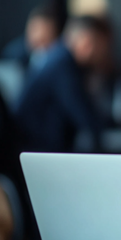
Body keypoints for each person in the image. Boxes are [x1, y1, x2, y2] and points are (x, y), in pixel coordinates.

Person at [13, 16, 109, 153]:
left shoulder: (58, 56)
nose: (103, 54)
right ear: (87, 42)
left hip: (36, 150)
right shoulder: (62, 64)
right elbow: (84, 115)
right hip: (34, 153)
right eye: (101, 46)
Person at [1, 3, 62, 70]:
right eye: (35, 30)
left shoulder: (58, 59)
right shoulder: (12, 56)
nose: (37, 36)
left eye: (44, 40)